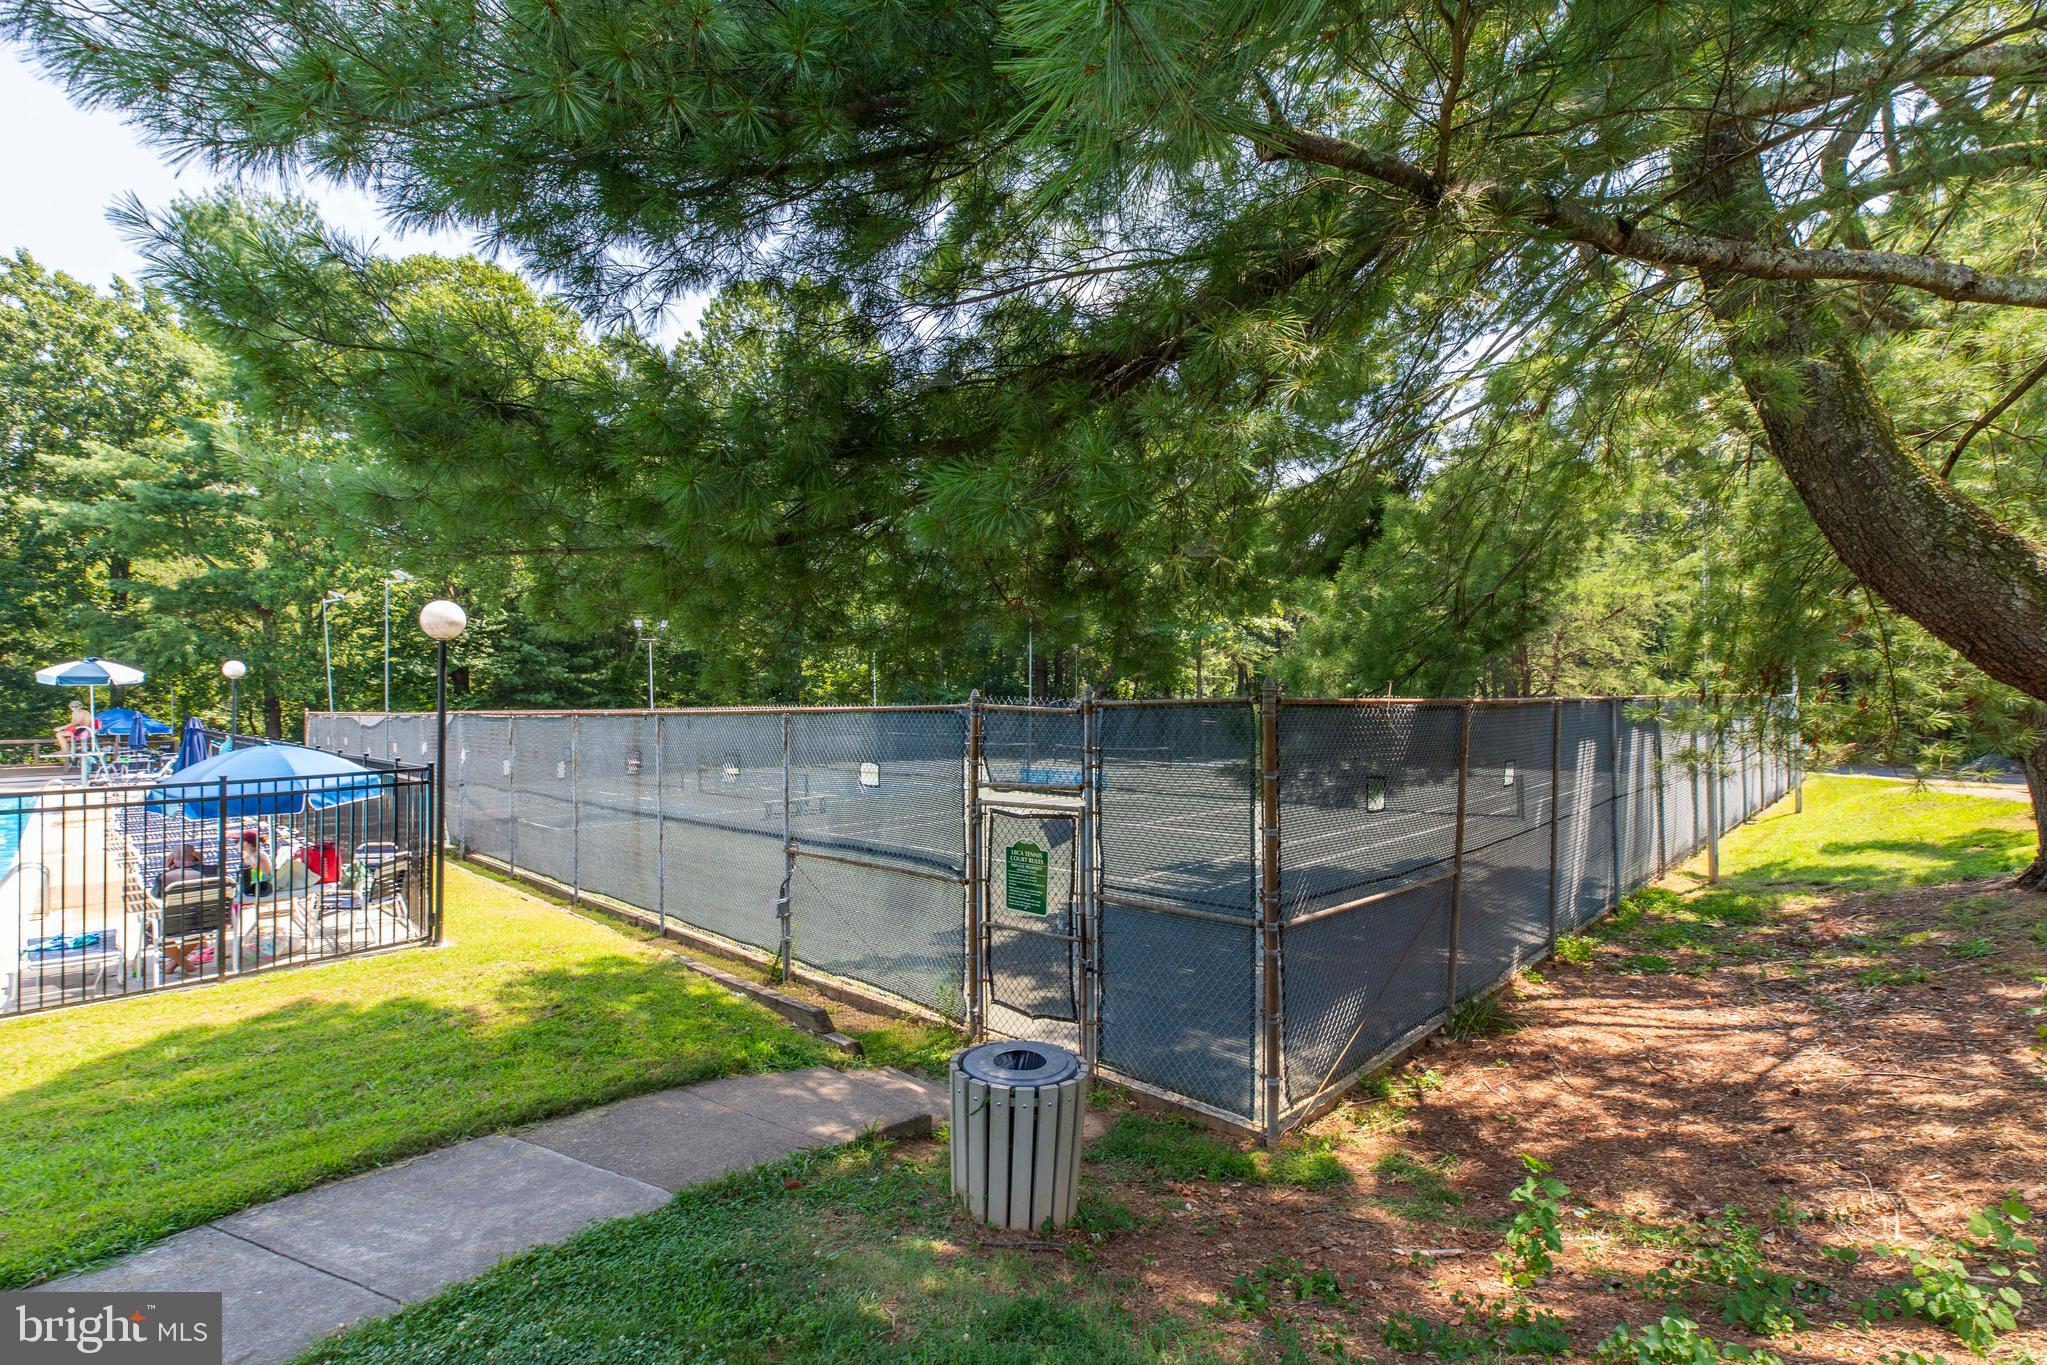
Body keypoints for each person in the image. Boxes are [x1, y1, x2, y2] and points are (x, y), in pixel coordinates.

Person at [153, 843, 221, 896]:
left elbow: (156, 894)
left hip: (178, 909)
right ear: (195, 857)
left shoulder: (165, 877)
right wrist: (200, 863)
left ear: (171, 859)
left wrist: (169, 868)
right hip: (210, 907)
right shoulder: (216, 870)